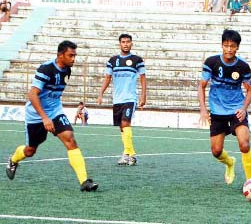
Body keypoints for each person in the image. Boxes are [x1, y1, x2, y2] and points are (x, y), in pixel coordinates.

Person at [5, 40, 98, 192]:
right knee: (30, 151)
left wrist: (51, 115)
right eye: (70, 55)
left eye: (75, 55)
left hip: (55, 111)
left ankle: (84, 182)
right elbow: (32, 94)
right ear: (60, 55)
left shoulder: (67, 69)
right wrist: (44, 118)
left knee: (70, 139)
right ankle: (13, 159)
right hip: (36, 114)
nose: (73, 59)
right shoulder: (46, 69)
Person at [198, 29, 251, 185]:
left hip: (236, 109)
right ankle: (230, 163)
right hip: (217, 111)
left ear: (237, 47)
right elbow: (201, 86)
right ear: (222, 45)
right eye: (226, 45)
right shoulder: (211, 63)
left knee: (244, 144)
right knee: (216, 151)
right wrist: (203, 110)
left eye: (232, 46)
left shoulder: (243, 66)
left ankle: (250, 181)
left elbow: (250, 89)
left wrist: (244, 108)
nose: (229, 49)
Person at [96, 33, 147, 166]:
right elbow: (107, 78)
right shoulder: (112, 61)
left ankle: (130, 154)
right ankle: (128, 153)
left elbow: (143, 78)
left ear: (131, 44)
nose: (125, 44)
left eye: (128, 42)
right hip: (117, 99)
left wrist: (143, 95)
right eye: (123, 42)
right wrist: (101, 93)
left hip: (130, 98)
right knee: (121, 127)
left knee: (125, 123)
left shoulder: (137, 60)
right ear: (120, 44)